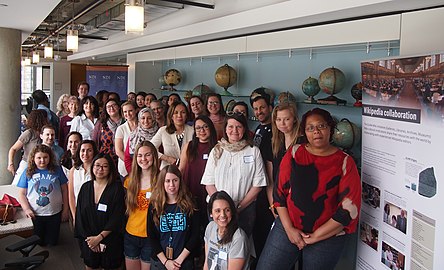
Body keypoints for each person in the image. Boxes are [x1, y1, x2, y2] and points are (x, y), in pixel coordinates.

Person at [257, 108, 361, 270]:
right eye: (310, 128)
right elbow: (279, 195)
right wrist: (290, 229)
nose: (316, 132)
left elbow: (349, 210)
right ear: (305, 132)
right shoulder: (294, 153)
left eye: (321, 126)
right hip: (288, 227)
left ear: (330, 128)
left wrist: (313, 238)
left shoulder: (345, 162)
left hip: (327, 236)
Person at [201, 112, 267, 236]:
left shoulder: (253, 151)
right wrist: (222, 207)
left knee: (241, 246)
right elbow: (209, 183)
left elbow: (258, 185)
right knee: (218, 244)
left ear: (244, 129)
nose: (234, 130)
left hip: (244, 209)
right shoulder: (217, 150)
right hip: (217, 211)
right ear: (225, 129)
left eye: (239, 127)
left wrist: (238, 208)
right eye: (230, 126)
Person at [74, 153, 125, 270]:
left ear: (110, 168)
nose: (100, 169)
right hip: (89, 240)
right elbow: (80, 216)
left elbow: (117, 217)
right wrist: (91, 240)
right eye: (97, 165)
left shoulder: (117, 188)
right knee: (90, 265)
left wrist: (99, 238)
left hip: (110, 239)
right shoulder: (85, 188)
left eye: (105, 166)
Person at [147, 165, 200, 270]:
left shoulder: (191, 203)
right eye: (167, 181)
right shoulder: (154, 205)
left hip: (184, 262)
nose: (171, 185)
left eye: (175, 180)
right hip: (160, 262)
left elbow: (195, 235)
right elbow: (151, 236)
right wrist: (166, 262)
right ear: (162, 182)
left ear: (180, 181)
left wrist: (178, 261)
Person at [17, 144, 69, 246]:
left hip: (54, 214)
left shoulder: (57, 170)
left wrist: (66, 209)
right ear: (33, 158)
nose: (42, 160)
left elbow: (65, 190)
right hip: (36, 215)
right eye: (39, 158)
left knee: (52, 242)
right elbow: (22, 194)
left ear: (50, 157)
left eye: (45, 157)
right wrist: (27, 209)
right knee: (37, 242)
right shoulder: (27, 172)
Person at [124, 141, 160, 270]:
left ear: (154, 156)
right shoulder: (129, 181)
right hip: (131, 235)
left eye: (147, 155)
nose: (143, 159)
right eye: (140, 155)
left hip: (151, 237)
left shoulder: (161, 180)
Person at [179, 115, 217, 227]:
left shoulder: (218, 147)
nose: (202, 130)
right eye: (198, 128)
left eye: (205, 127)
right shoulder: (189, 146)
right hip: (190, 191)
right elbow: (181, 169)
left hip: (209, 193)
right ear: (195, 131)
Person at [203, 191, 249, 270]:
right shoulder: (210, 227)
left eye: (227, 210)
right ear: (211, 213)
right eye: (217, 211)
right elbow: (207, 263)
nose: (223, 215)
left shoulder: (239, 238)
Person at [8, 109, 48, 185]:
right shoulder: (29, 133)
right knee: (17, 185)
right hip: (26, 163)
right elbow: (13, 148)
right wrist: (10, 163)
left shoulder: (45, 134)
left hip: (39, 165)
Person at [151, 101, 194, 169]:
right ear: (171, 116)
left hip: (188, 170)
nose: (179, 116)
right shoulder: (163, 130)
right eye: (175, 113)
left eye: (183, 112)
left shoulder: (193, 131)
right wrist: (166, 158)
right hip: (167, 171)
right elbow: (150, 147)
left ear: (186, 115)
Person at [68, 140, 98, 224]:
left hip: (94, 213)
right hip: (78, 211)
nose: (85, 154)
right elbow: (71, 195)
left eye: (89, 150)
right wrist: (75, 216)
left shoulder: (98, 171)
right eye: (83, 150)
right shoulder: (74, 170)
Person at [124, 107, 159, 172]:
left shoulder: (160, 134)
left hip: (156, 174)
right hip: (136, 174)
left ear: (153, 119)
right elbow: (127, 158)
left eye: (149, 118)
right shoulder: (133, 136)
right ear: (139, 120)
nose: (146, 121)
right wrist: (133, 173)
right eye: (143, 118)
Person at [92, 98, 124, 165]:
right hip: (106, 159)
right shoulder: (101, 123)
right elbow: (95, 142)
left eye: (114, 105)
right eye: (108, 107)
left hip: (123, 158)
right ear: (106, 110)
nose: (111, 108)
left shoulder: (125, 122)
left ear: (118, 107)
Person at [115, 101, 138, 177]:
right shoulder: (121, 128)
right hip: (125, 168)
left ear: (136, 110)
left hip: (143, 165)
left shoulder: (143, 126)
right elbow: (118, 151)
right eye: (125, 112)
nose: (127, 114)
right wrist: (131, 164)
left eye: (130, 111)